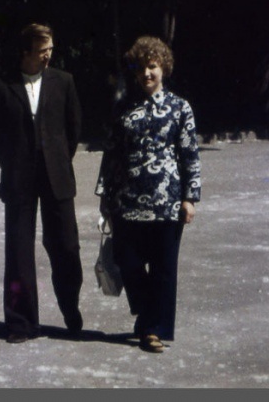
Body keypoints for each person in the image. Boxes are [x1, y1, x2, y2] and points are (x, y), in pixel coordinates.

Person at [95, 35, 202, 353]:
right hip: (126, 202)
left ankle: (153, 330)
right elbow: (111, 153)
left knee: (164, 268)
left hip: (167, 202)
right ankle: (147, 313)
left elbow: (190, 155)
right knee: (126, 261)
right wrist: (104, 195)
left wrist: (189, 197)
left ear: (164, 68)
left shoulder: (180, 108)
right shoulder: (123, 108)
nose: (147, 74)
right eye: (141, 68)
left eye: (152, 67)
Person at [0, 23, 84, 344]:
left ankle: (70, 307)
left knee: (66, 247)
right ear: (25, 53)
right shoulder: (1, 87)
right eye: (43, 52)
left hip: (57, 176)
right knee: (19, 252)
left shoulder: (64, 82)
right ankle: (21, 323)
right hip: (19, 178)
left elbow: (73, 128)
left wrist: (57, 160)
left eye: (51, 50)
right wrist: (11, 164)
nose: (48, 57)